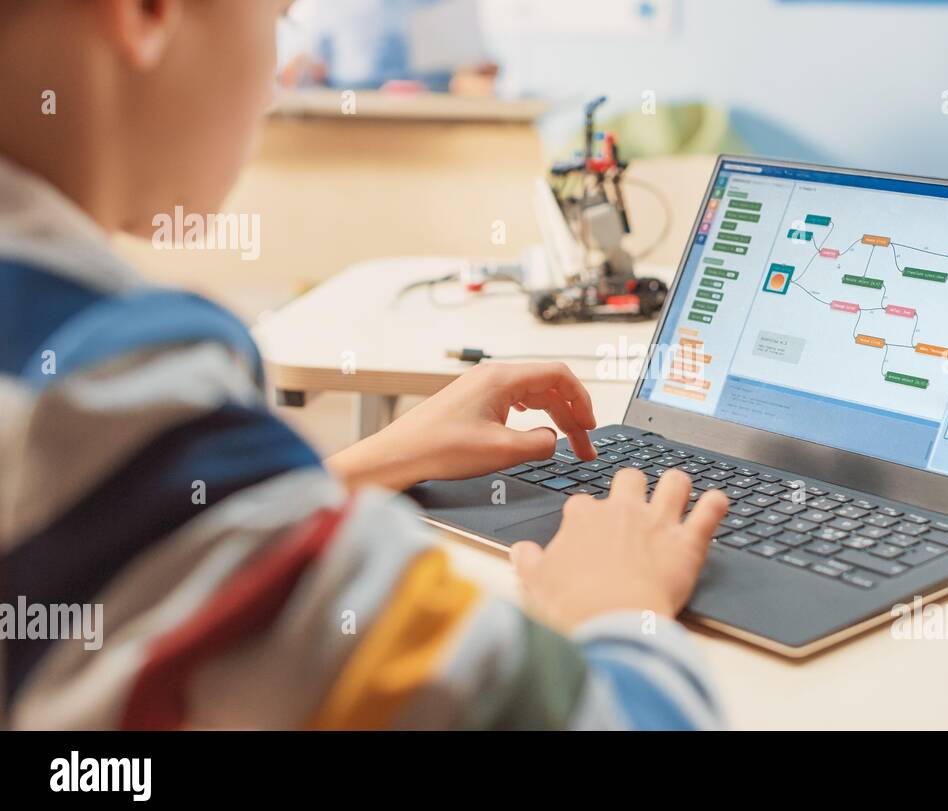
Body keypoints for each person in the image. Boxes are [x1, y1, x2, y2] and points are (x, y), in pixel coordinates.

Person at [0, 0, 729, 730]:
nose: (278, 80)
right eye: (278, 18)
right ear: (144, 12)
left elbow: (136, 527)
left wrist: (371, 461)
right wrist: (621, 607)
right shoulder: (113, 392)